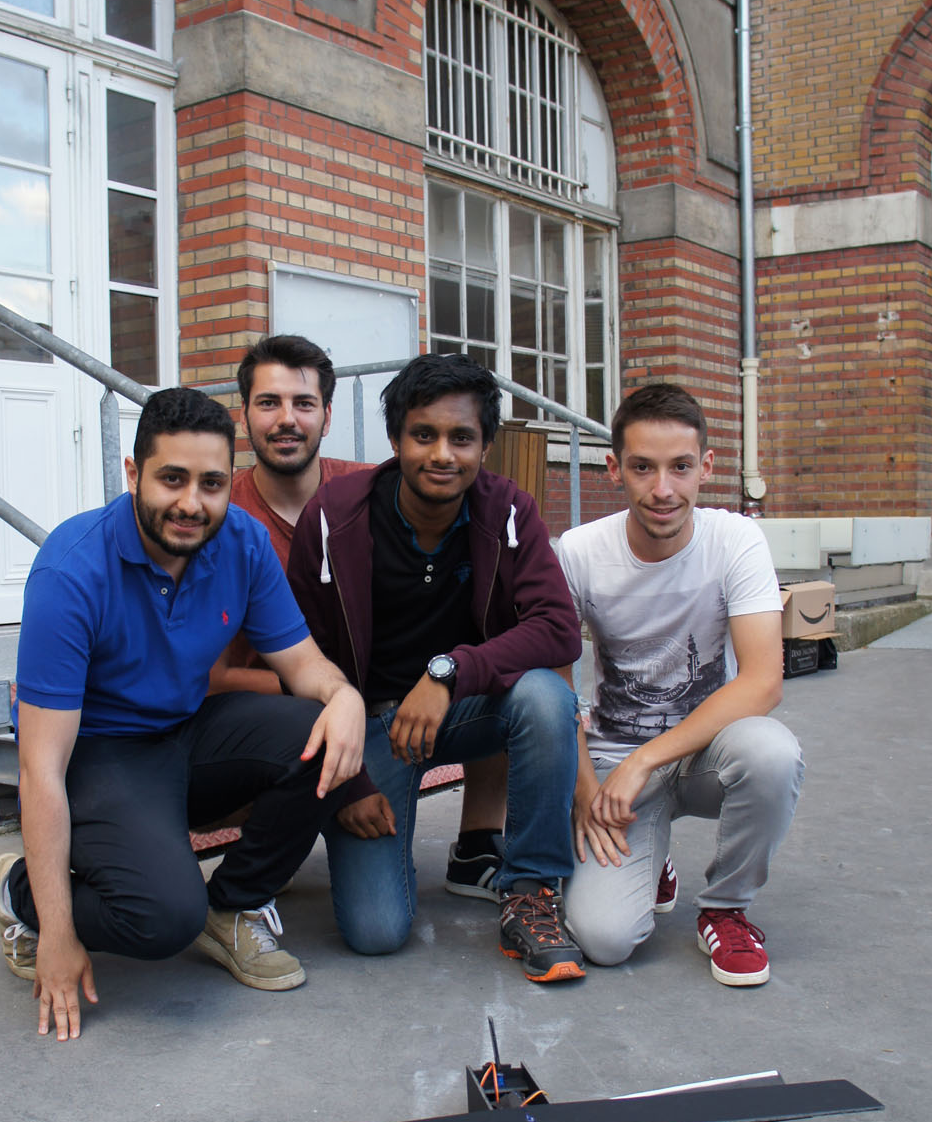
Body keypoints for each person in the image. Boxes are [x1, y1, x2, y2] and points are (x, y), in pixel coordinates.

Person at [0, 386, 366, 1040]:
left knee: (323, 731)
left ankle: (233, 906)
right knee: (160, 919)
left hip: (186, 732)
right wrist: (57, 931)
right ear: (133, 473)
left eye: (212, 483)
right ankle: (19, 891)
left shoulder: (241, 542)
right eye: (172, 479)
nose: (192, 503)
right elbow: (40, 768)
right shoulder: (72, 570)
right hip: (99, 755)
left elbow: (304, 666)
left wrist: (346, 697)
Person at [288, 351, 587, 983]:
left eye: (462, 438)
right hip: (368, 729)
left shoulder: (508, 511)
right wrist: (347, 784)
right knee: (376, 932)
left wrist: (450, 672)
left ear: (485, 446)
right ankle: (356, 827)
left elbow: (559, 628)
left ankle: (530, 889)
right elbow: (299, 658)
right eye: (424, 435)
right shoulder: (334, 516)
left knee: (545, 696)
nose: (442, 455)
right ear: (396, 440)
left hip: (459, 710)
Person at [211, 332, 511, 901]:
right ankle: (270, 836)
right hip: (275, 719)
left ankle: (478, 841)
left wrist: (442, 676)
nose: (287, 419)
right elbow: (213, 679)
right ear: (243, 415)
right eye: (268, 402)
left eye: (303, 403)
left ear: (327, 416)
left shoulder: (373, 491)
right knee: (372, 925)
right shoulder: (219, 516)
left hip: (381, 705)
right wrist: (340, 706)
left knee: (493, 652)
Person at [556, 382, 804, 987]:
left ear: (706, 468)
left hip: (702, 754)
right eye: (643, 467)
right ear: (614, 468)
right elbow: (557, 689)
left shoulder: (735, 540)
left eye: (680, 467)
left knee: (772, 753)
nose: (663, 489)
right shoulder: (580, 552)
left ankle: (725, 908)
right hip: (614, 763)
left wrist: (646, 760)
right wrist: (585, 789)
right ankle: (653, 856)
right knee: (605, 940)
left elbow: (763, 682)